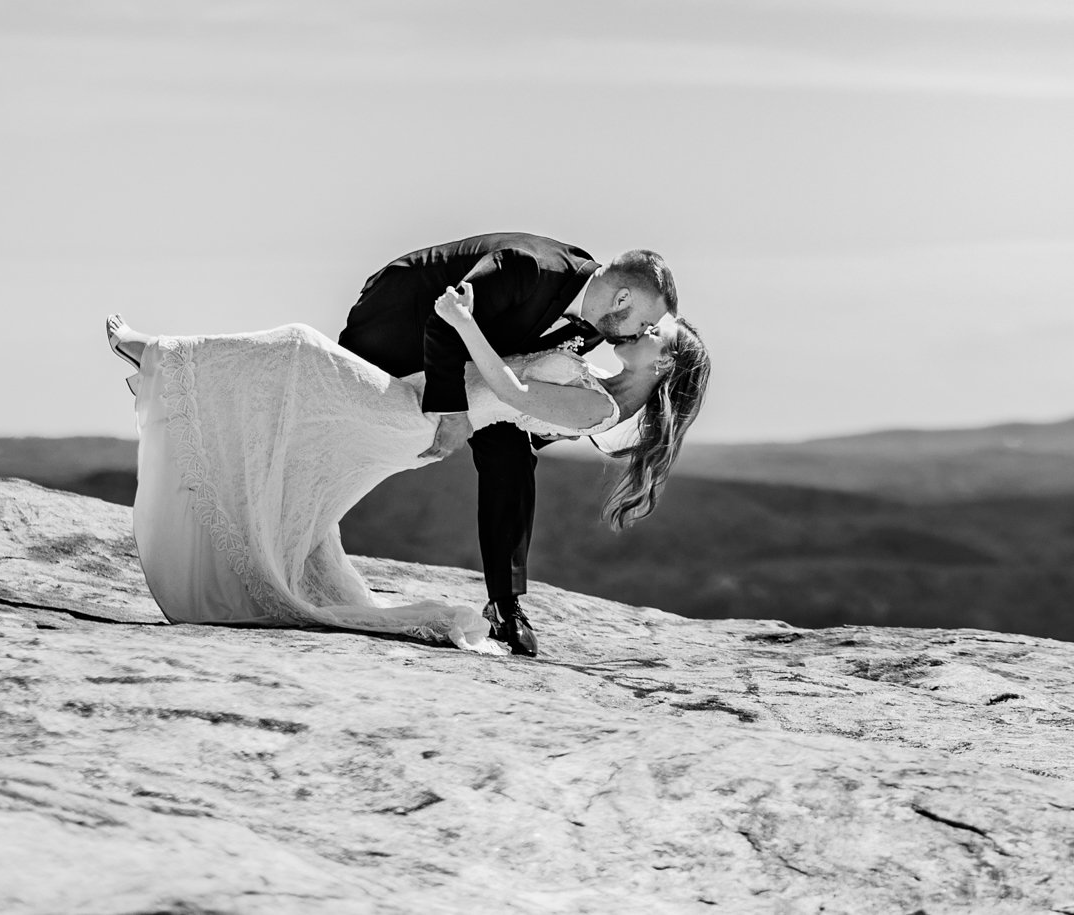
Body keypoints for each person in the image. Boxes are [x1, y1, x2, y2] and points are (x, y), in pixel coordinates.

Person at [102, 284, 710, 654]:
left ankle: (157, 353)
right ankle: (175, 377)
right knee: (297, 423)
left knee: (298, 349)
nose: (645, 329)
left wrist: (464, 322)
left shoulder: (597, 403)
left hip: (414, 415)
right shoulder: (598, 377)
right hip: (419, 398)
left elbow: (510, 390)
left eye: (657, 333)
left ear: (662, 366)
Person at [334, 234, 682, 655]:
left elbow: (527, 381)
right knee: (358, 427)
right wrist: (454, 413)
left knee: (511, 456)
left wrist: (541, 421)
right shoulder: (528, 266)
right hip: (397, 321)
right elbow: (446, 317)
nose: (643, 332)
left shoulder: (594, 329)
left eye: (650, 330)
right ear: (622, 297)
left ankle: (505, 605)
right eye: (644, 322)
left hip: (481, 372)